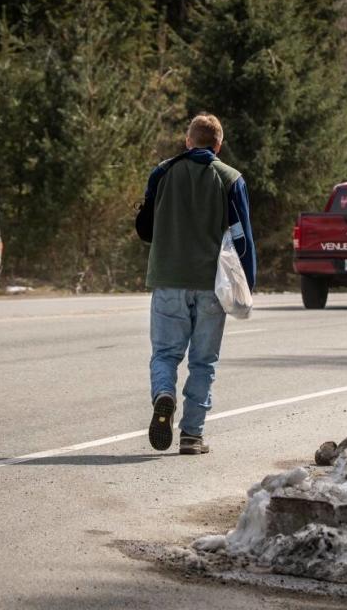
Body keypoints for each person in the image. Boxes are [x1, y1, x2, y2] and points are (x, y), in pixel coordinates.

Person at [142, 113, 255, 455]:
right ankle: (192, 435)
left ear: (188, 141)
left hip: (168, 280)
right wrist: (247, 283)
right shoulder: (231, 178)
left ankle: (164, 393)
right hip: (212, 285)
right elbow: (242, 239)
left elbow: (145, 228)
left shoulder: (162, 172)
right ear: (218, 145)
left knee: (165, 353)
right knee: (203, 363)